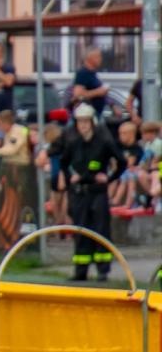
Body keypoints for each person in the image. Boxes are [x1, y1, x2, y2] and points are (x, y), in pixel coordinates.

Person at [59, 103, 121, 282]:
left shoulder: (104, 142)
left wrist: (109, 177)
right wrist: (70, 177)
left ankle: (103, 270)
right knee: (80, 230)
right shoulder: (73, 143)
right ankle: (81, 270)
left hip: (98, 191)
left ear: (93, 122)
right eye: (80, 122)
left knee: (101, 230)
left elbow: (121, 161)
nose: (83, 125)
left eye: (86, 122)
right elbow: (63, 162)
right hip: (80, 193)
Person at [70, 48, 110, 118]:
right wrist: (98, 92)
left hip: (96, 114)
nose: (101, 59)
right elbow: (78, 94)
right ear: (90, 58)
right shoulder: (83, 73)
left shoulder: (93, 74)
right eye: (98, 56)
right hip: (86, 116)